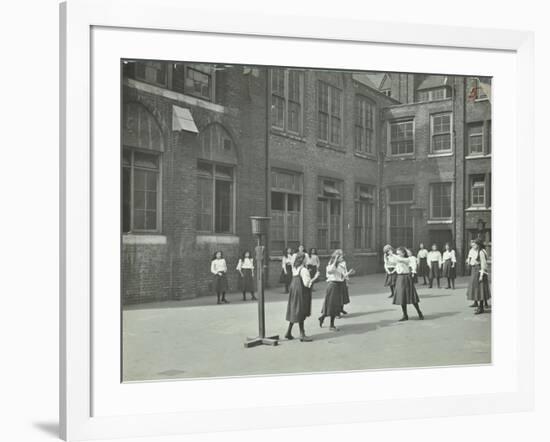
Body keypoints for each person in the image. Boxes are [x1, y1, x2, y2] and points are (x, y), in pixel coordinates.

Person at [285, 253, 320, 342]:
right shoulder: (304, 270)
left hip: (294, 291)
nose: (307, 260)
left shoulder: (295, 268)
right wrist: (315, 277)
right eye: (306, 258)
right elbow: (307, 283)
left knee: (295, 310)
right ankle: (302, 334)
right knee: (301, 311)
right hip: (301, 292)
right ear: (303, 260)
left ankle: (288, 332)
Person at [318, 249, 351, 331]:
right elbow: (329, 272)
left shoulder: (341, 265)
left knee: (333, 305)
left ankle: (322, 317)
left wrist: (349, 273)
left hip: (338, 285)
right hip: (332, 285)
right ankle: (331, 326)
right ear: (337, 257)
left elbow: (341, 277)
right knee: (331, 305)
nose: (342, 257)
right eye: (341, 256)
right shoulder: (331, 264)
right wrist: (335, 260)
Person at [392, 247, 424, 321]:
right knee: (402, 297)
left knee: (412, 297)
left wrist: (392, 254)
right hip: (399, 278)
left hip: (406, 278)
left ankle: (419, 312)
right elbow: (392, 262)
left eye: (399, 253)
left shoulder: (407, 259)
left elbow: (400, 260)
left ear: (403, 253)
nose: (398, 254)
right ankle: (405, 315)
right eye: (397, 253)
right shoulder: (397, 259)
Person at [466, 239, 491, 314]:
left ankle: (481, 307)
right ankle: (479, 306)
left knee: (480, 289)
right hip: (476, 270)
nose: (473, 245)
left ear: (478, 245)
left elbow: (483, 264)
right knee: (478, 289)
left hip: (479, 271)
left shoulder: (481, 252)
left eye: (475, 244)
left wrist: (481, 275)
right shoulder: (478, 251)